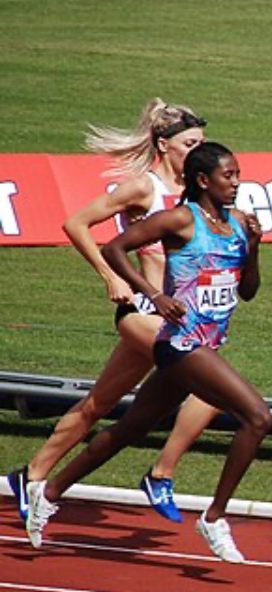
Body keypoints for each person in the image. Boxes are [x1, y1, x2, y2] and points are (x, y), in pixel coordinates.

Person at [25, 142, 268, 563]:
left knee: (130, 429)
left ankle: (47, 493)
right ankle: (214, 516)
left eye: (238, 174)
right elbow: (113, 248)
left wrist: (255, 246)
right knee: (259, 417)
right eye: (228, 175)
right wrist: (152, 295)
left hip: (208, 342)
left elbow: (247, 292)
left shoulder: (238, 225)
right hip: (180, 342)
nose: (236, 182)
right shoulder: (179, 219)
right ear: (202, 180)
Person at [6, 98, 220, 524]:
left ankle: (29, 474)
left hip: (182, 315)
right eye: (190, 142)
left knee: (97, 404)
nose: (198, 149)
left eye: (202, 142)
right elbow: (76, 224)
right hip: (145, 311)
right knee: (211, 387)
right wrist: (110, 276)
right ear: (164, 145)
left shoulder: (195, 191)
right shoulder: (145, 188)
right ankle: (160, 474)